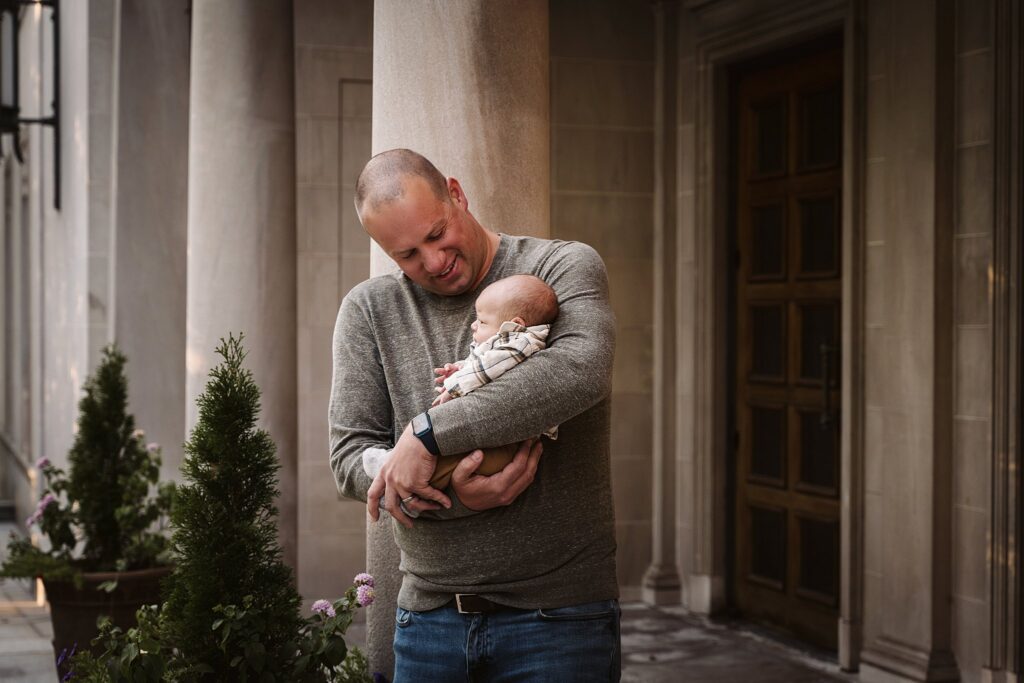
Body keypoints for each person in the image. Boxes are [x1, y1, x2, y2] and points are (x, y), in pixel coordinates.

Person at [329, 148, 619, 682]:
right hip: (429, 619)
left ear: (457, 194)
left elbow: (580, 372)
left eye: (438, 234)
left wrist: (427, 435)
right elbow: (349, 459)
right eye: (408, 255)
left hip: (561, 617)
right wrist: (453, 497)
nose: (434, 261)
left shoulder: (561, 266)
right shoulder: (369, 310)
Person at [362, 273, 561, 492]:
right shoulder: (507, 343)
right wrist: (459, 369)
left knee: (447, 463)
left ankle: (390, 468)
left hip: (505, 441)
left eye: (483, 322)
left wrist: (455, 387)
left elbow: (488, 369)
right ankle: (398, 468)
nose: (473, 326)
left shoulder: (521, 343)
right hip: (492, 435)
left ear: (515, 325)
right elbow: (484, 365)